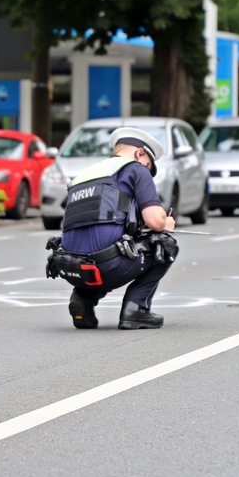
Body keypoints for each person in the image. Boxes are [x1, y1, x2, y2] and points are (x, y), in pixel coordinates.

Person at [46, 127, 179, 330]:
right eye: (148, 165)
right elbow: (155, 221)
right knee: (166, 245)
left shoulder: (85, 174)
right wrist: (166, 223)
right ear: (140, 153)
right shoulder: (135, 169)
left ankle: (83, 298)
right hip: (108, 265)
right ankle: (136, 310)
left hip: (71, 266)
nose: (146, 170)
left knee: (103, 247)